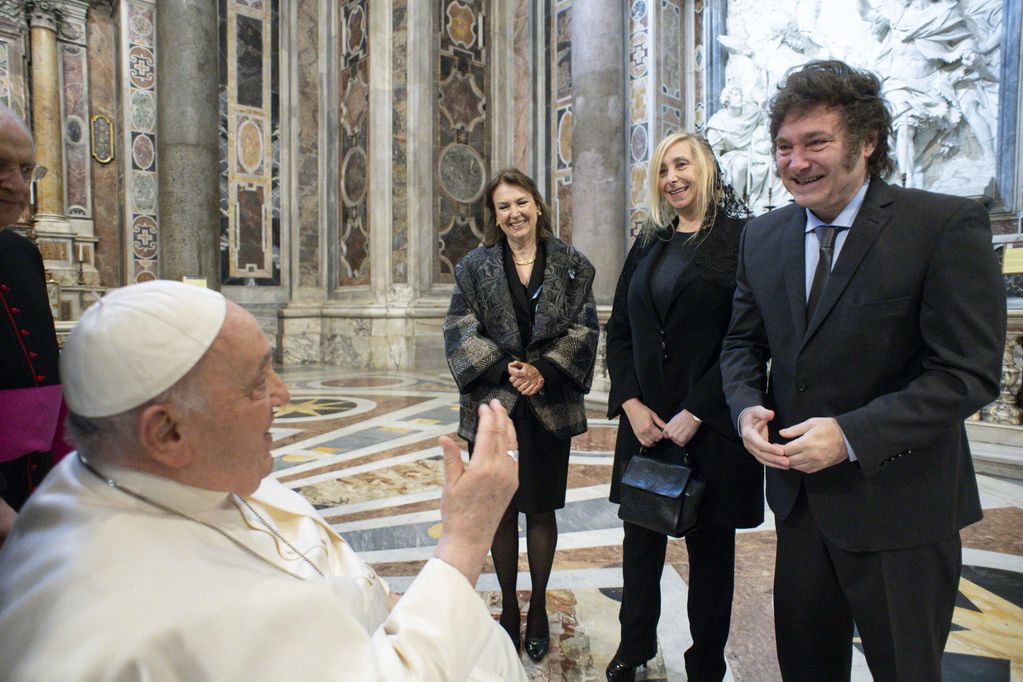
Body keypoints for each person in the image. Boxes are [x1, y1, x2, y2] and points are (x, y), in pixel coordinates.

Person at [0, 279, 528, 681]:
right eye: (257, 383)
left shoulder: (127, 468)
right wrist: (464, 538)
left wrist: (383, 602)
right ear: (166, 432)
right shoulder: (148, 619)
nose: (284, 395)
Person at [720, 60, 1005, 680]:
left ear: (867, 141)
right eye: (785, 147)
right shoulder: (762, 237)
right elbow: (741, 344)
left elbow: (967, 371)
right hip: (800, 510)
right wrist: (746, 409)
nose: (796, 162)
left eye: (816, 142)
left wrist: (851, 436)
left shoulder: (941, 226)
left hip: (901, 508)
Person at [604, 133, 763, 682]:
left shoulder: (743, 239)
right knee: (639, 540)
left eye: (682, 165)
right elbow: (620, 331)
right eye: (663, 169)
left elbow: (748, 337)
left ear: (706, 170)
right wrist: (630, 403)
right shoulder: (649, 242)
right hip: (646, 423)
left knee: (711, 555)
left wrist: (697, 410)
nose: (672, 177)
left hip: (711, 424)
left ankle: (706, 663)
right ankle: (635, 645)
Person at [443, 168, 598, 662]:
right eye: (504, 206)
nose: (514, 213)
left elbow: (584, 329)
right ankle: (509, 608)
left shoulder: (572, 264)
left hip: (547, 404)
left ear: (537, 204)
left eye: (521, 202)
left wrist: (545, 370)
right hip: (495, 405)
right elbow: (458, 329)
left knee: (541, 509)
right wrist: (507, 368)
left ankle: (537, 611)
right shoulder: (474, 267)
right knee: (503, 510)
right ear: (495, 215)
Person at [0, 104, 66, 549]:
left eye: (26, 169)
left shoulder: (22, 256)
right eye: (0, 166)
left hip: (32, 483)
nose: (17, 185)